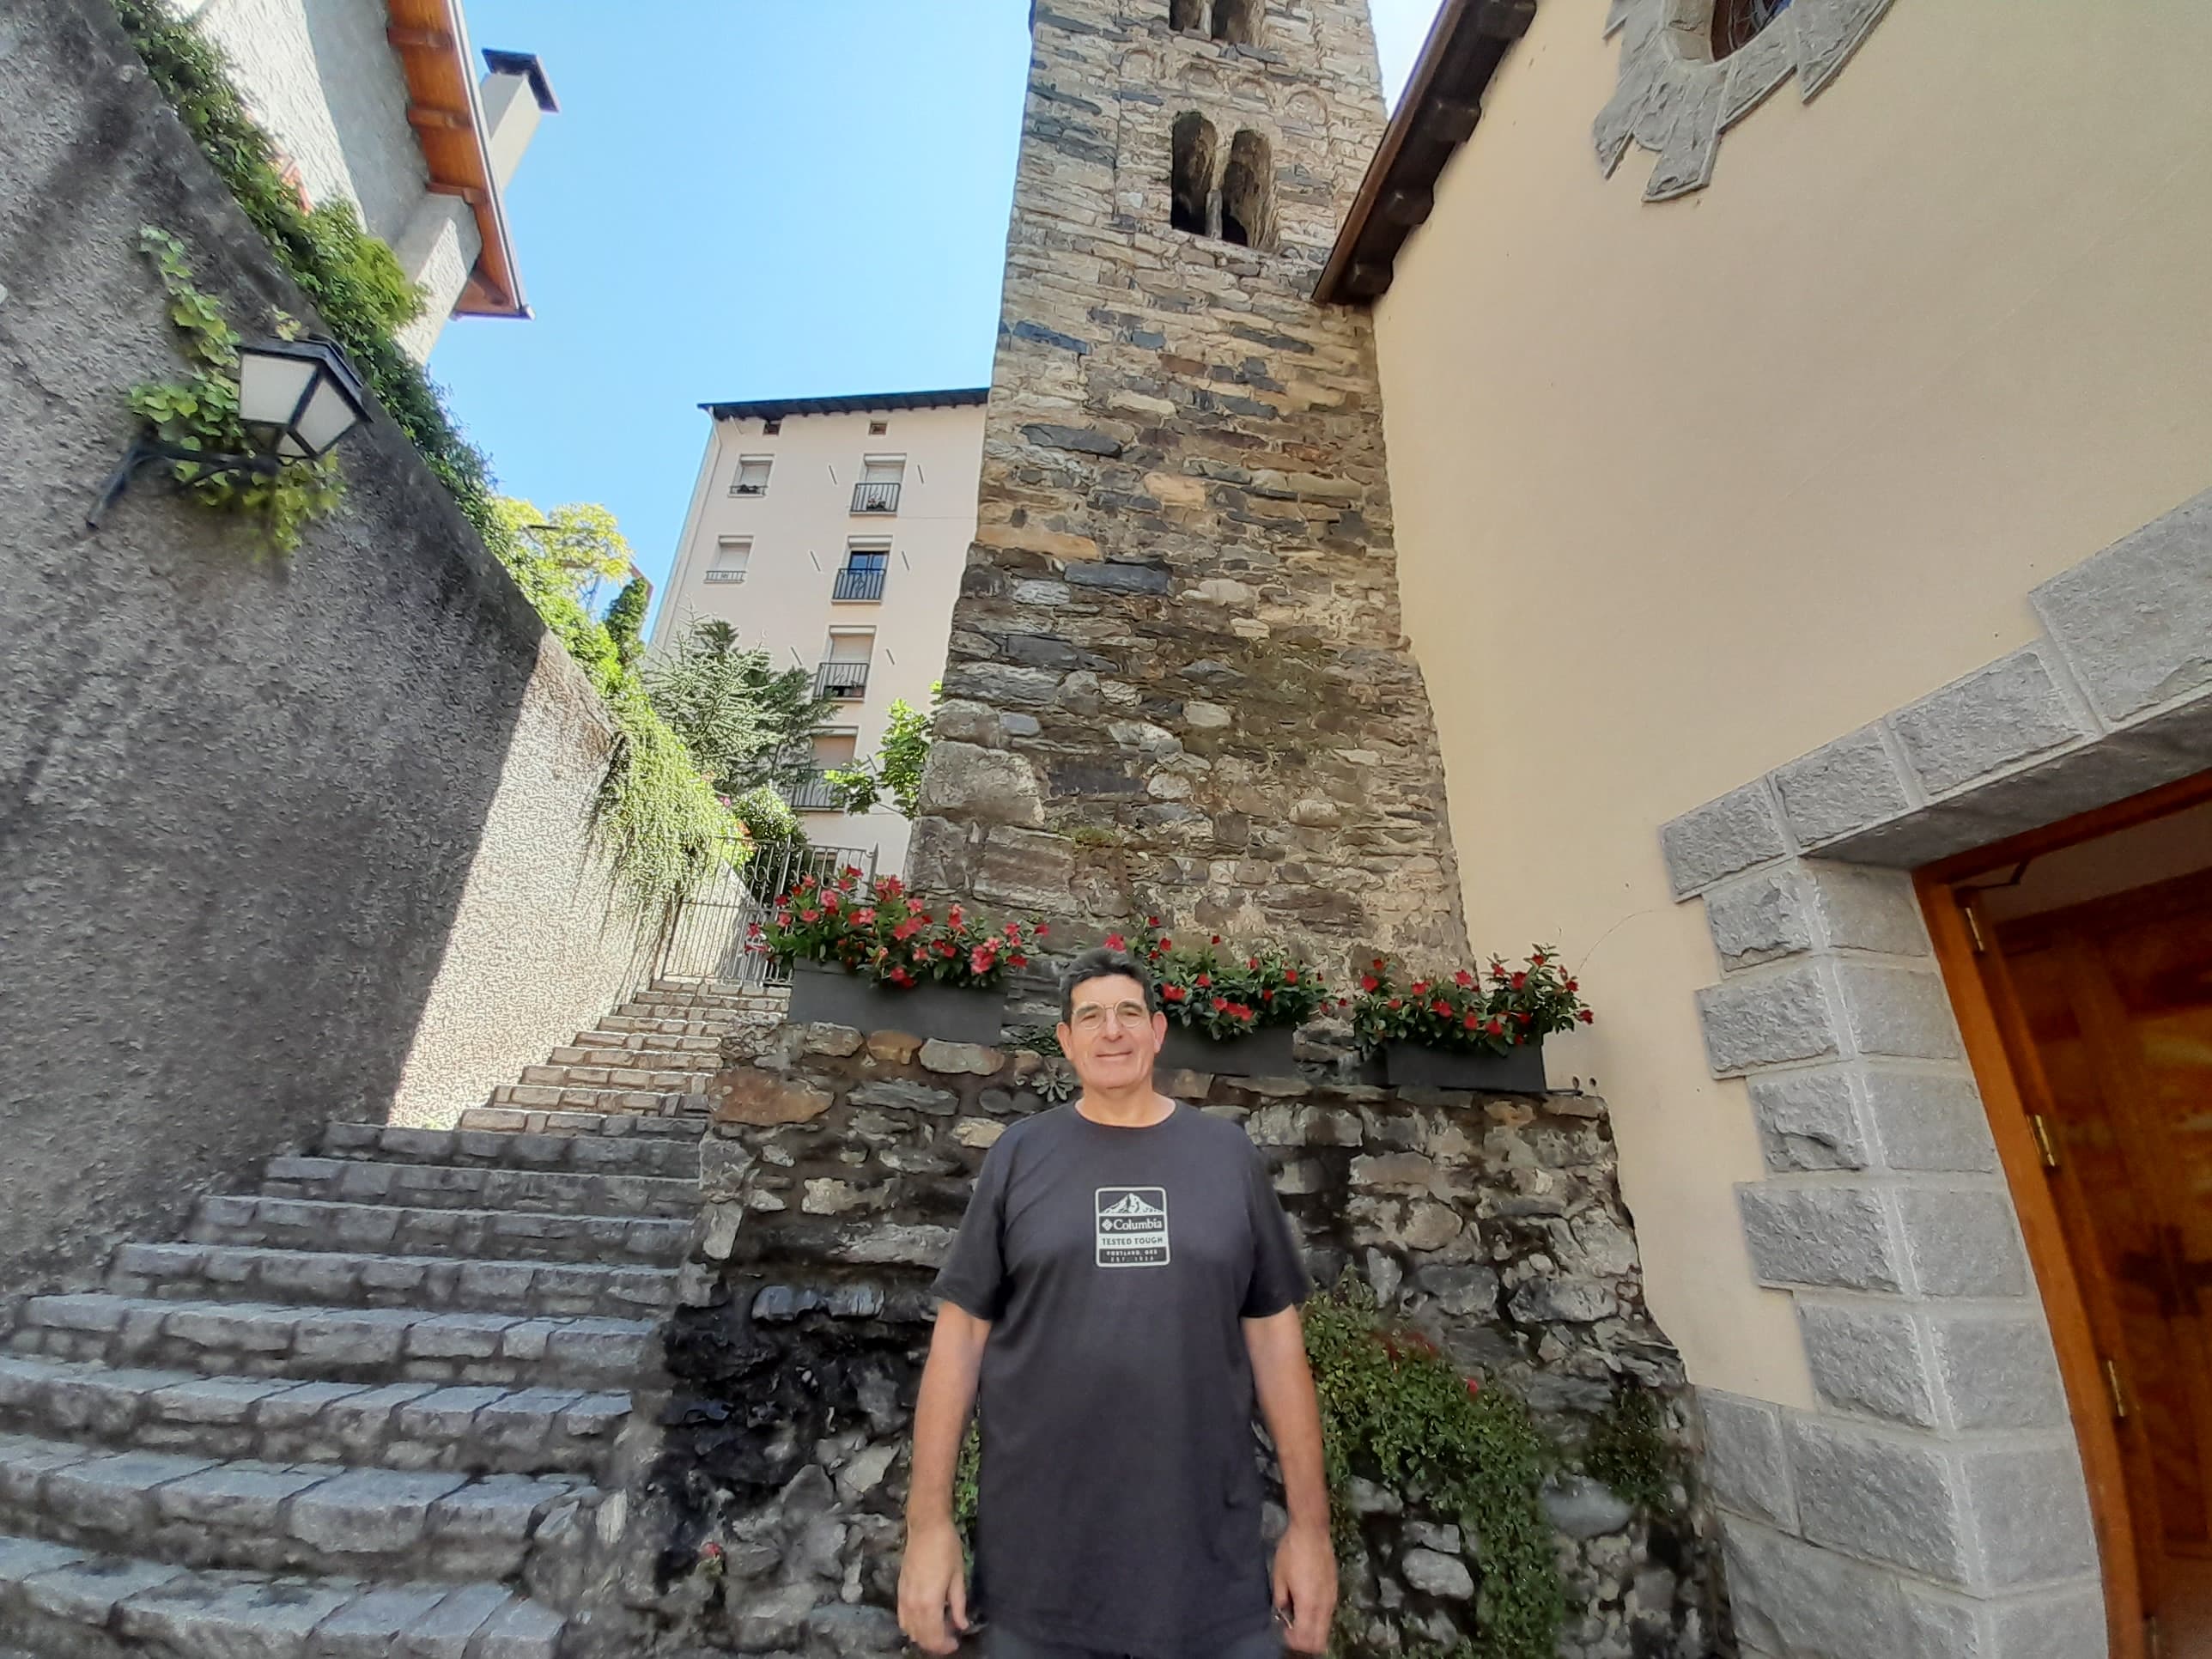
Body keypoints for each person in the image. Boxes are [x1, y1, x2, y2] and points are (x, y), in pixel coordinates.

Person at [897, 946, 1337, 1659]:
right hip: (1038, 1575)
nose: (1113, 1031)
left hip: (1212, 1576)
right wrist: (928, 1528)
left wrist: (1311, 1533)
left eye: (1129, 1013)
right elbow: (959, 1341)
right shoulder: (1019, 1155)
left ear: (1158, 1032)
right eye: (1091, 1016)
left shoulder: (1226, 1156)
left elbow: (1277, 1345)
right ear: (1066, 1041)